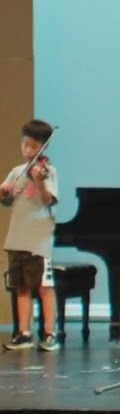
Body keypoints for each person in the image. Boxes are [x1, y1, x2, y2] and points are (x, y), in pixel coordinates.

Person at [2, 120, 59, 351]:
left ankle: (49, 333)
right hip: (17, 236)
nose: (27, 151)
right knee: (21, 287)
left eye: (33, 147)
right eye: (25, 145)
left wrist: (39, 180)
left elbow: (48, 200)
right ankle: (24, 333)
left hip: (38, 239)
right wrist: (4, 190)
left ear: (43, 148)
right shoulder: (17, 172)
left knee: (44, 287)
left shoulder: (48, 172)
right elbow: (6, 199)